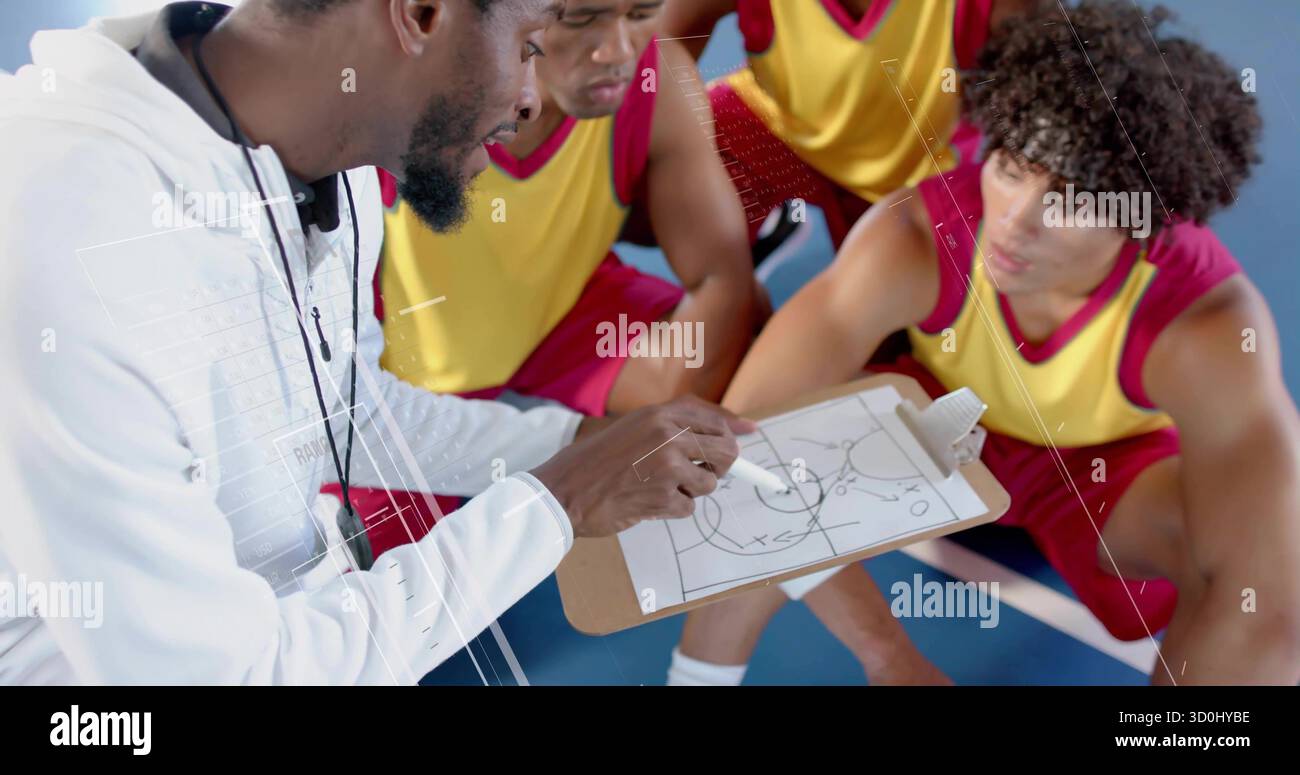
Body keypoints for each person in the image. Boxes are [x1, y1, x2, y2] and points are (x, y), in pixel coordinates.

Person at [0, 0, 751, 685]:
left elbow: (346, 404)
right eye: (527, 44)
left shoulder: (337, 164)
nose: (530, 98)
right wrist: (557, 498)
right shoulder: (65, 246)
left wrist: (578, 441)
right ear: (421, 14)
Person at [670, 0, 1300, 686]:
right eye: (1012, 164)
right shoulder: (917, 235)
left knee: (1249, 579)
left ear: (1145, 217)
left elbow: (1265, 601)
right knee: (767, 465)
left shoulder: (1204, 324)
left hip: (1104, 470)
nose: (1015, 222)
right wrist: (890, 656)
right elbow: (740, 450)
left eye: (1072, 197)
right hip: (940, 421)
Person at [335, 0, 765, 555]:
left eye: (640, 13)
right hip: (404, 375)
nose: (618, 50)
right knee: (393, 599)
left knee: (740, 361)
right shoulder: (397, 100)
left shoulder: (656, 76)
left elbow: (720, 277)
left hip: (561, 310)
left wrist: (664, 434)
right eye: (583, 19)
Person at [663, 0, 1039, 248]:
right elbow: (665, 44)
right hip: (780, 130)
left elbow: (1046, 110)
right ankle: (754, 253)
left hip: (911, 174)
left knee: (888, 334)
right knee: (658, 194)